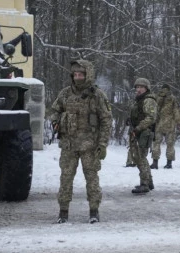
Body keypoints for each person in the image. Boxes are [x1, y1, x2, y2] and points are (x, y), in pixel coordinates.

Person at [50, 59, 112, 224]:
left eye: (81, 74)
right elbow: (55, 110)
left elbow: (106, 121)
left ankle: (94, 211)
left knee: (92, 179)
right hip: (69, 145)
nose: (77, 77)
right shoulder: (65, 93)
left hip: (89, 146)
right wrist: (55, 120)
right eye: (75, 74)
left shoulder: (97, 95)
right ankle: (63, 212)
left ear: (88, 75)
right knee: (66, 178)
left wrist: (103, 144)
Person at [128, 78, 157, 194]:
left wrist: (138, 128)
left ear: (146, 88)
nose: (138, 89)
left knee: (140, 158)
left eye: (141, 87)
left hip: (144, 132)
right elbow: (138, 114)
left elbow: (151, 117)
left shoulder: (149, 100)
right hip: (138, 131)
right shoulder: (139, 100)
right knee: (139, 157)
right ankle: (149, 182)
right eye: (137, 87)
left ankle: (144, 184)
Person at [150, 83, 180, 169]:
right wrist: (179, 122)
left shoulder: (157, 97)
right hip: (170, 125)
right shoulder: (172, 98)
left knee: (156, 143)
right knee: (170, 144)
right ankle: (169, 163)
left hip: (159, 124)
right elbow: (176, 111)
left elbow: (153, 110)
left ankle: (155, 163)